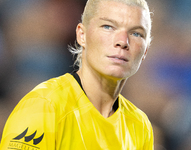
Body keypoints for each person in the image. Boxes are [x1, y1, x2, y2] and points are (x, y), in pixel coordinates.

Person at [0, 0, 153, 149]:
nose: (123, 41)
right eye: (108, 26)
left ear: (145, 50)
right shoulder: (44, 106)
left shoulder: (140, 125)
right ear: (82, 35)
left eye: (136, 33)